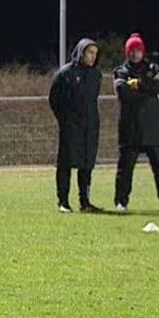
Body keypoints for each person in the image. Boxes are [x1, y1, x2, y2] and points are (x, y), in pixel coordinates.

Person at [112, 32, 159, 213]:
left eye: (137, 50)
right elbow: (123, 92)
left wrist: (140, 85)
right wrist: (148, 91)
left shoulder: (153, 69)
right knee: (125, 170)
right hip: (130, 129)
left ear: (143, 52)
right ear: (127, 52)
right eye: (131, 51)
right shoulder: (121, 71)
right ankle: (121, 202)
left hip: (152, 128)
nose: (135, 54)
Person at [49, 38, 104, 213]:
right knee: (66, 163)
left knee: (86, 165)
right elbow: (54, 99)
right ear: (81, 52)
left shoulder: (96, 75)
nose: (92, 57)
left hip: (90, 127)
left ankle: (85, 201)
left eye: (95, 53)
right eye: (89, 52)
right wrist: (65, 119)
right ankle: (63, 202)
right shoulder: (65, 73)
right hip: (71, 127)